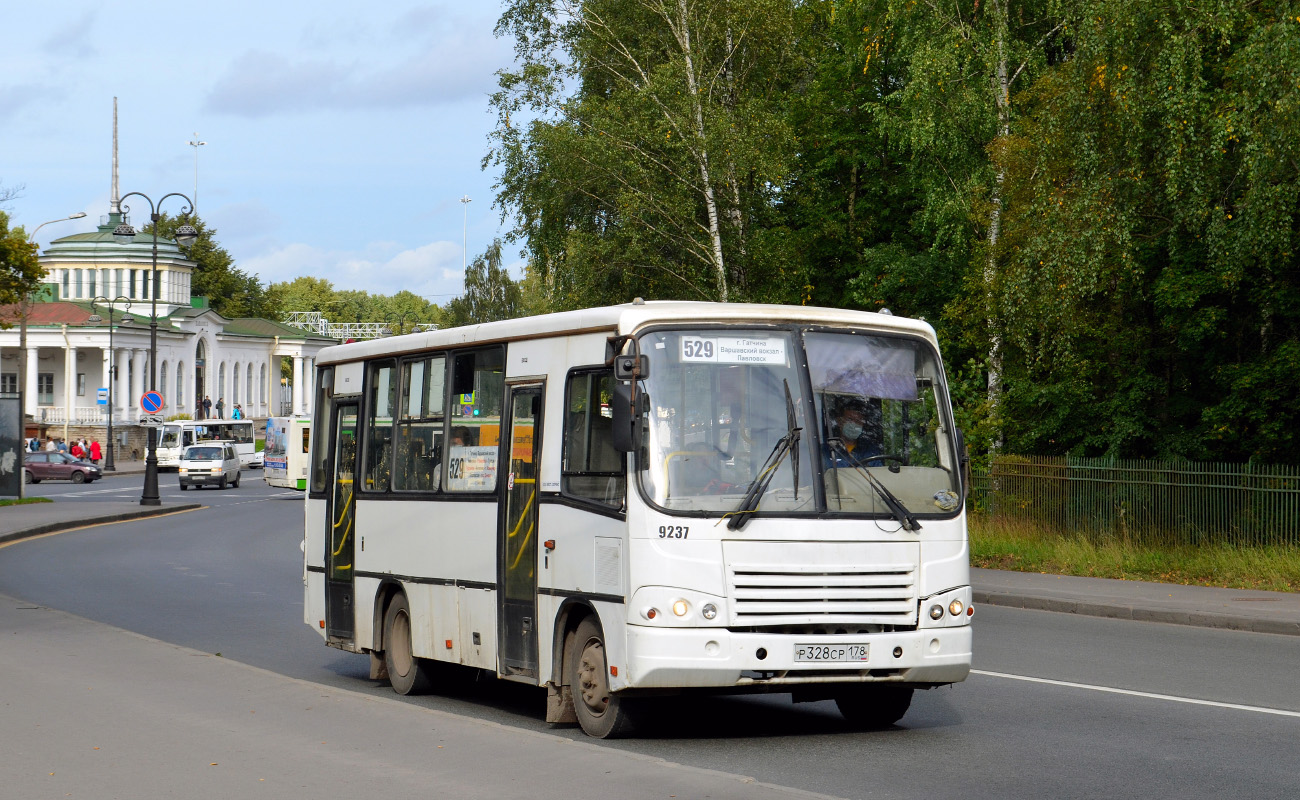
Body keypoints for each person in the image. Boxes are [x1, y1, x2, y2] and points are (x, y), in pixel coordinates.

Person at [823, 397, 884, 468]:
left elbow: (878, 473)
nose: (854, 424)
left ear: (863, 424)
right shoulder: (827, 449)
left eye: (858, 421)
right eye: (850, 419)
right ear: (839, 421)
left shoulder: (870, 450)